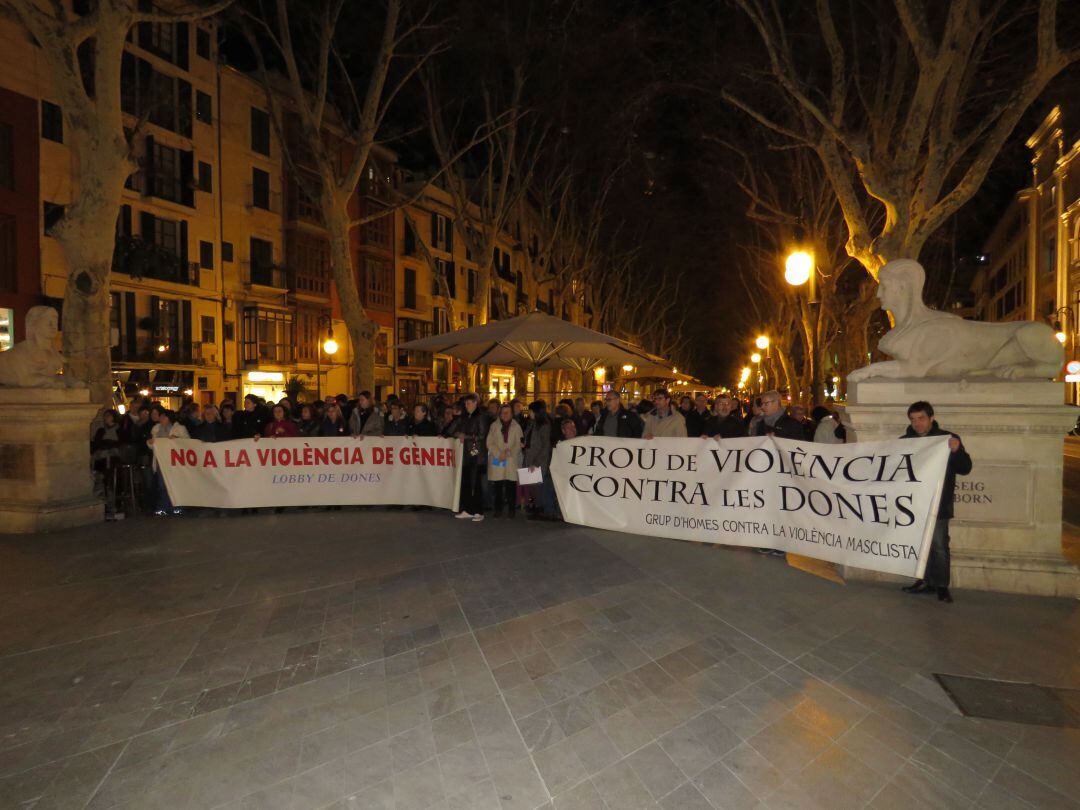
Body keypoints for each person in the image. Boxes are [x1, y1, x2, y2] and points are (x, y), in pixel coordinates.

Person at [900, 401, 972, 603]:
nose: (917, 423)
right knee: (920, 545)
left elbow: (965, 468)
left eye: (921, 418)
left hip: (938, 505)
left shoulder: (947, 440)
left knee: (939, 545)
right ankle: (924, 581)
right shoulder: (905, 442)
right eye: (913, 419)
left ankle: (941, 586)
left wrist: (957, 451)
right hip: (914, 505)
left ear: (931, 418)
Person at [452, 393, 488, 521]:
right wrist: (458, 434)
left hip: (476, 454)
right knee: (466, 481)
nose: (467, 405)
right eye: (466, 403)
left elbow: (482, 436)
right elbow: (456, 430)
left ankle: (478, 511)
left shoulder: (480, 417)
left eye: (469, 403)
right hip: (467, 454)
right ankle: (468, 509)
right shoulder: (465, 417)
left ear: (475, 403)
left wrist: (465, 436)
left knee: (476, 483)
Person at [147, 409, 189, 516]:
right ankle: (164, 506)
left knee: (175, 484)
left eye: (163, 417)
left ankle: (177, 507)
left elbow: (187, 442)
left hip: (175, 462)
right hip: (161, 461)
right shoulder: (156, 429)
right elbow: (152, 445)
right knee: (162, 485)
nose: (161, 419)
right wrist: (150, 442)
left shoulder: (179, 429)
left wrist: (177, 440)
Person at [486, 404, 524, 518]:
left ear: (511, 414)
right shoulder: (494, 426)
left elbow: (519, 443)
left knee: (511, 486)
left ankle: (511, 510)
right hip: (498, 459)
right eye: (503, 412)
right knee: (497, 486)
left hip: (511, 459)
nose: (505, 414)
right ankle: (498, 509)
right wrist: (498, 453)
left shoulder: (517, 426)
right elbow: (489, 442)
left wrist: (510, 452)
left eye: (508, 412)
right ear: (500, 413)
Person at [523, 400, 556, 519]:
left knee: (538, 486)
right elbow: (530, 438)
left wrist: (535, 463)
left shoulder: (544, 425)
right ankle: (536, 507)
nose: (529, 413)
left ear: (536, 412)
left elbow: (545, 446)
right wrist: (525, 444)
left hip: (538, 460)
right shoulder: (532, 423)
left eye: (531, 411)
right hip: (530, 457)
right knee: (532, 485)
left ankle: (541, 509)